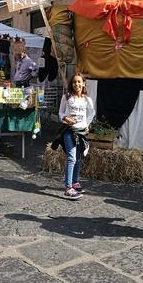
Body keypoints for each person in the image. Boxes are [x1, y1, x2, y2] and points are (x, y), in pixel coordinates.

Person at [56, 72, 95, 200]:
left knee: (78, 158)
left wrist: (87, 124)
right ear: (71, 85)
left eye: (79, 82)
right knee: (71, 157)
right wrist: (65, 118)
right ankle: (68, 188)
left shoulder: (87, 100)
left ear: (83, 84)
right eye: (74, 82)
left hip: (81, 132)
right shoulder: (66, 97)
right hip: (69, 131)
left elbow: (92, 112)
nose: (77, 84)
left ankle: (75, 182)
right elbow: (60, 113)